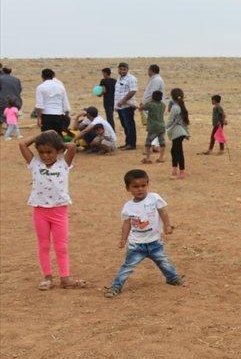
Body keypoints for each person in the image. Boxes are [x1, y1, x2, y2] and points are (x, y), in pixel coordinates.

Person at [18, 131, 87, 290]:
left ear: (58, 151)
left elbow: (72, 146)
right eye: (41, 152)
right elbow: (22, 144)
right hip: (40, 211)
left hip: (59, 211)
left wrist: (56, 142)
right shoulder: (34, 163)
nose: (45, 156)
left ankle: (65, 278)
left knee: (61, 246)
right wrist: (42, 135)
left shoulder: (64, 163)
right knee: (43, 245)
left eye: (49, 152)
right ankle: (47, 277)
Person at [104, 169, 185, 298]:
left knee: (163, 261)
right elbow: (126, 223)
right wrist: (123, 239)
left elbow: (163, 212)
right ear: (128, 188)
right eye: (135, 186)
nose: (140, 189)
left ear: (147, 184)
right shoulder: (128, 206)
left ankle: (173, 278)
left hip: (155, 242)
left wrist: (167, 226)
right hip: (136, 245)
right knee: (127, 266)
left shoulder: (154, 198)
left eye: (143, 185)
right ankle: (116, 286)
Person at [34, 68, 70, 134]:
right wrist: (66, 116)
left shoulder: (40, 87)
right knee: (58, 135)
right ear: (53, 76)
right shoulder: (60, 87)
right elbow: (65, 103)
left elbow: (39, 105)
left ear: (42, 76)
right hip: (59, 115)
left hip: (46, 115)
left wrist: (39, 118)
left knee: (47, 136)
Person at [165, 88, 190, 179]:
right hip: (180, 131)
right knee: (174, 150)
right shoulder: (180, 105)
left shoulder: (175, 107)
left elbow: (170, 120)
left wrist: (165, 127)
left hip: (177, 132)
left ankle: (181, 172)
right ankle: (175, 170)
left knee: (177, 151)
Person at [114, 62, 139, 150]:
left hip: (128, 105)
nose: (122, 71)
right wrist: (117, 105)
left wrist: (123, 101)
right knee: (124, 125)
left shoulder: (131, 78)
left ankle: (132, 144)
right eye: (120, 69)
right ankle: (127, 142)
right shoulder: (119, 78)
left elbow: (133, 91)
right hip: (120, 106)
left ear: (127, 69)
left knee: (129, 125)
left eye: (124, 69)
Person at [141, 90, 166, 165]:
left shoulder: (150, 104)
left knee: (148, 142)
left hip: (153, 126)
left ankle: (148, 158)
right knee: (162, 142)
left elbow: (142, 108)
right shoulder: (163, 105)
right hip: (162, 125)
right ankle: (161, 157)